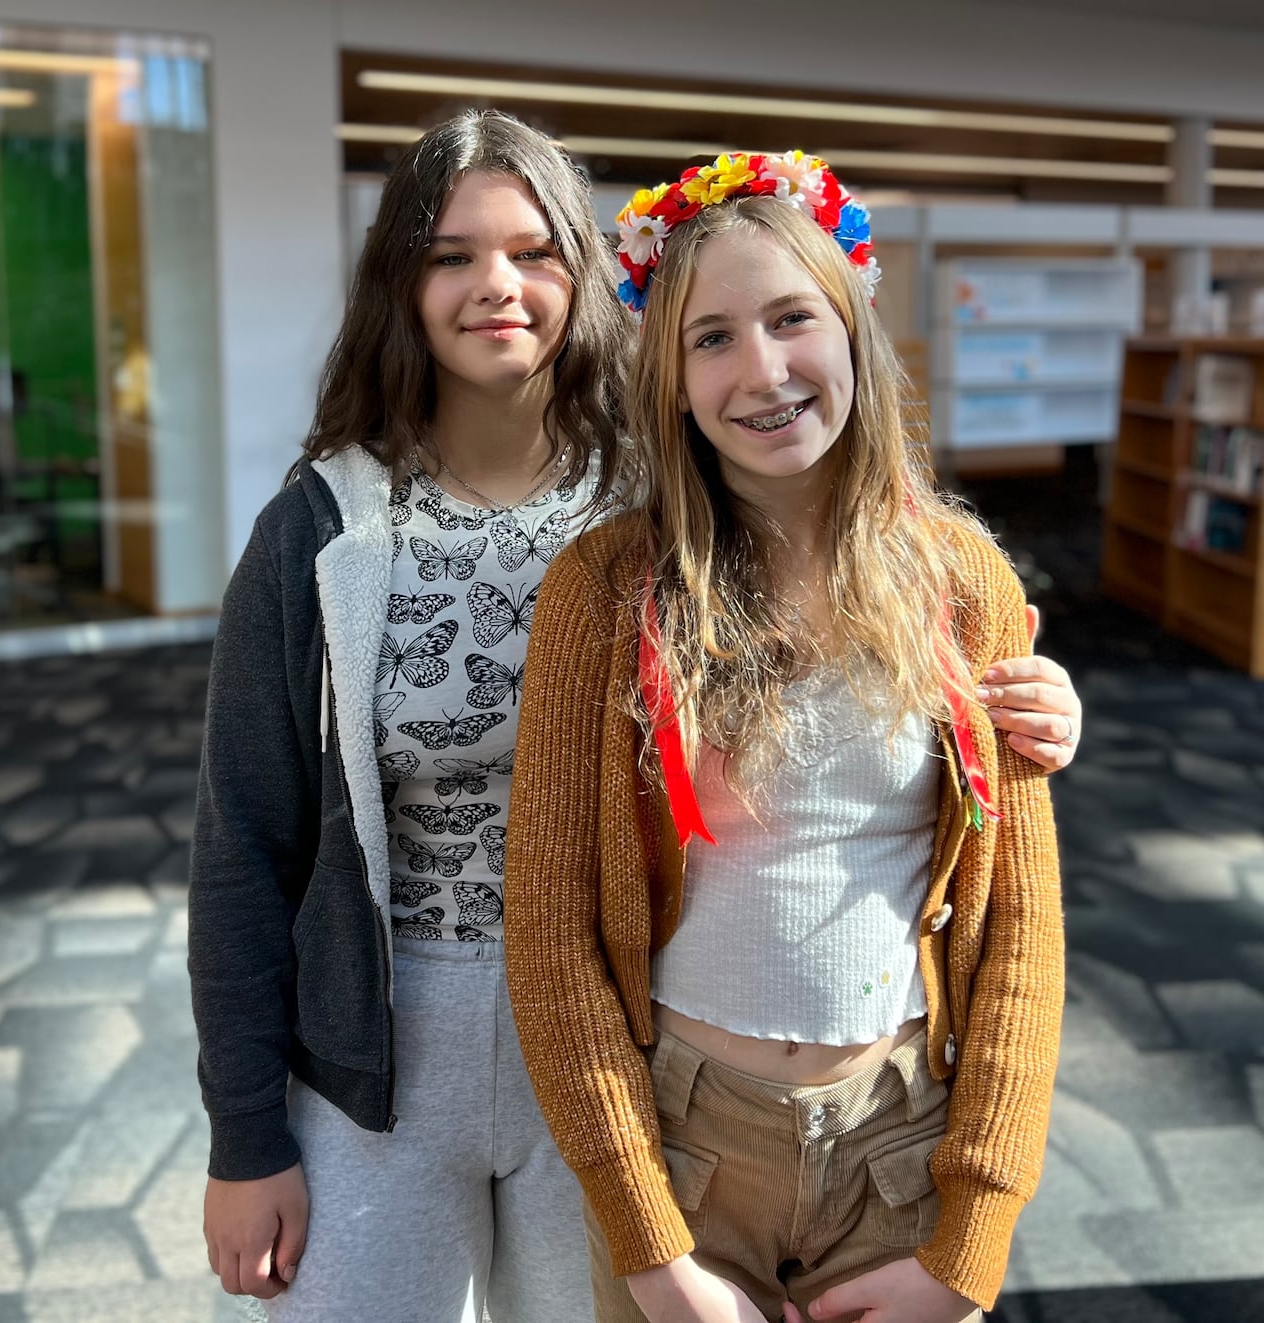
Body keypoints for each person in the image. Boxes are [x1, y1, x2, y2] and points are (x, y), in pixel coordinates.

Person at [190, 116, 1077, 1322]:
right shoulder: (332, 532)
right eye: (449, 255)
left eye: (533, 250)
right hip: (391, 1040)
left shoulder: (669, 493)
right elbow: (244, 839)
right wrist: (244, 1133)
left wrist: (1031, 705)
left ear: (587, 279)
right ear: (397, 283)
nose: (494, 285)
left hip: (636, 1036)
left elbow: (884, 697)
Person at [505, 152, 1063, 1323]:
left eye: (789, 317)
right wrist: (650, 1249)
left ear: (851, 327)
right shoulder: (605, 589)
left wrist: (971, 1247)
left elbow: (1021, 924)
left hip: (901, 1140)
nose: (760, 370)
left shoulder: (961, 583)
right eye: (710, 338)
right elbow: (552, 931)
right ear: (669, 379)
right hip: (685, 1149)